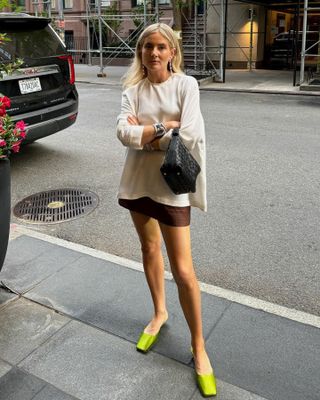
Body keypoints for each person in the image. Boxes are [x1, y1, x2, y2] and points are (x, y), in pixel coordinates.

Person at [116, 23, 216, 397]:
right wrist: (163, 127)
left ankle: (199, 345)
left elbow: (187, 136)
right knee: (148, 250)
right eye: (147, 47)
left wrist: (144, 133)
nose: (153, 53)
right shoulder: (132, 90)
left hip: (172, 188)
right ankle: (159, 313)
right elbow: (120, 134)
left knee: (185, 270)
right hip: (139, 183)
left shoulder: (187, 85)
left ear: (172, 51)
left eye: (161, 47)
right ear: (140, 52)